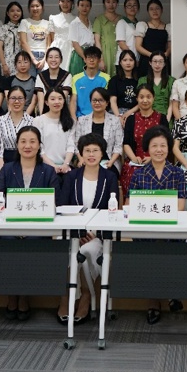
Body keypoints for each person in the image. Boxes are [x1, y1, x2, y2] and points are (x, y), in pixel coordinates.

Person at [0, 126, 59, 320]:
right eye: (23, 141)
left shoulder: (48, 171)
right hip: (9, 227)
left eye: (32, 141)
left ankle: (24, 295)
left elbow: (57, 202)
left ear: (39, 145)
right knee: (9, 243)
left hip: (39, 228)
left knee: (32, 243)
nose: (27, 146)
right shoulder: (7, 169)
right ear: (17, 145)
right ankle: (13, 295)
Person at [56, 133, 120, 325]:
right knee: (61, 249)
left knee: (86, 251)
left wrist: (94, 233)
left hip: (98, 235)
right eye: (87, 151)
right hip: (72, 231)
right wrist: (77, 231)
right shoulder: (71, 177)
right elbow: (62, 207)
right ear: (81, 154)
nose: (91, 154)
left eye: (95, 151)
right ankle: (65, 297)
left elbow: (112, 212)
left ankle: (85, 295)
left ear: (102, 154)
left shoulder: (110, 177)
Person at [128, 125, 187, 324]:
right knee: (150, 247)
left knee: (167, 245)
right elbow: (130, 205)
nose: (159, 150)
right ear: (147, 148)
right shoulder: (139, 174)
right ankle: (155, 299)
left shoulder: (178, 173)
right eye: (154, 146)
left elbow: (180, 206)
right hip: (145, 230)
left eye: (163, 145)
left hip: (172, 229)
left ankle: (168, 292)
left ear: (169, 148)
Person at [121, 85, 170, 197]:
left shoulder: (162, 118)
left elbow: (167, 143)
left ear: (153, 98)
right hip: (136, 159)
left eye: (148, 97)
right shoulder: (131, 119)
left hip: (158, 158)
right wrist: (134, 158)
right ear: (137, 99)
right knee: (132, 174)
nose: (145, 100)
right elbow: (126, 143)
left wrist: (153, 158)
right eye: (141, 97)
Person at [74, 88, 124, 172]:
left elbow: (118, 146)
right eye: (94, 100)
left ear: (107, 102)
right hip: (86, 161)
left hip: (108, 161)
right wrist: (81, 159)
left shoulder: (115, 121)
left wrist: (111, 162)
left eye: (100, 100)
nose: (97, 103)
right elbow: (76, 144)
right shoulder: (82, 120)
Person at [34, 89, 76, 174]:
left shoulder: (71, 121)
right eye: (52, 99)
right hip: (44, 167)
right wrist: (52, 165)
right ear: (46, 102)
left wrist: (66, 164)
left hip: (66, 167)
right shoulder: (38, 121)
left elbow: (71, 145)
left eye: (60, 98)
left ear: (64, 101)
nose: (57, 102)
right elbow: (39, 147)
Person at [0, 88, 35, 168]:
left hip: (27, 161)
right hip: (4, 161)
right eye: (13, 98)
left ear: (25, 100)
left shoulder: (32, 121)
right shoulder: (0, 120)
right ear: (8, 100)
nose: (17, 101)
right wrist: (3, 168)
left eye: (20, 98)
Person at [135, 0, 171, 78]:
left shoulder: (168, 27)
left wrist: (163, 56)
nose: (154, 11)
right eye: (151, 9)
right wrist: (152, 56)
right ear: (148, 11)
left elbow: (170, 47)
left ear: (162, 10)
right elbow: (138, 46)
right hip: (146, 61)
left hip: (163, 61)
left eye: (157, 8)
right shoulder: (143, 25)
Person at [71, 46, 111, 118]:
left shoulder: (106, 78)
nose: (91, 60)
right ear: (84, 59)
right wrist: (74, 118)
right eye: (89, 57)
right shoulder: (76, 78)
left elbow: (106, 100)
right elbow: (73, 101)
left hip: (100, 117)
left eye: (94, 57)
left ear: (99, 60)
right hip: (80, 117)